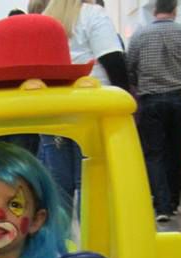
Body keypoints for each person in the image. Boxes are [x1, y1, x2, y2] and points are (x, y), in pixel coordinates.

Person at [40, 0, 129, 216]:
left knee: (59, 187)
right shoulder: (93, 14)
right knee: (91, 183)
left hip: (53, 108)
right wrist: (126, 102)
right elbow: (113, 60)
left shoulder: (45, 19)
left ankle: (59, 245)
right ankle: (91, 245)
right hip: (90, 106)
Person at [126, 0, 181, 223]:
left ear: (155, 10)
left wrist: (143, 80)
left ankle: (161, 205)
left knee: (153, 153)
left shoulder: (139, 36)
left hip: (150, 99)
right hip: (180, 98)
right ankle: (173, 201)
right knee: (174, 151)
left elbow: (129, 67)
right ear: (175, 10)